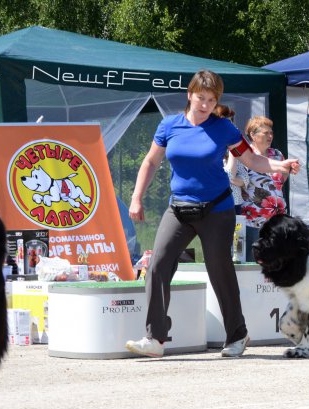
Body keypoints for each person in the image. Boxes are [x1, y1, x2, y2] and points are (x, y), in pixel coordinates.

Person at [125, 70, 299, 358]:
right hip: (178, 209)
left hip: (217, 210)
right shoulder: (169, 126)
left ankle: (237, 335)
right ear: (189, 95)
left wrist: (280, 166)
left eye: (211, 99)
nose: (205, 104)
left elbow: (251, 158)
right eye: (200, 97)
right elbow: (151, 161)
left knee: (220, 270)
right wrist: (136, 197)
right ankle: (155, 338)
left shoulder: (225, 129)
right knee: (157, 265)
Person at [237, 116, 289, 229]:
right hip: (251, 220)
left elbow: (281, 179)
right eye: (266, 133)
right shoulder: (244, 156)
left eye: (271, 133)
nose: (270, 136)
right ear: (252, 135)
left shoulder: (277, 155)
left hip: (278, 220)